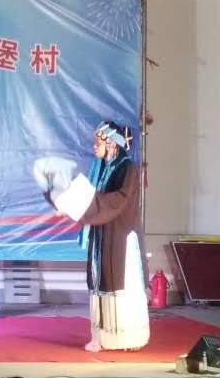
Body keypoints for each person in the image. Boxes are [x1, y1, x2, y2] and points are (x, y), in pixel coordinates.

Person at [47, 121, 149, 352]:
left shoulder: (127, 169)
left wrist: (80, 204)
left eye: (98, 142)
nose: (94, 146)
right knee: (100, 281)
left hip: (121, 237)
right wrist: (66, 202)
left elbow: (116, 200)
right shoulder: (101, 167)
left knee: (123, 283)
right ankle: (102, 337)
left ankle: (129, 338)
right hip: (102, 232)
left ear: (112, 143)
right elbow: (90, 196)